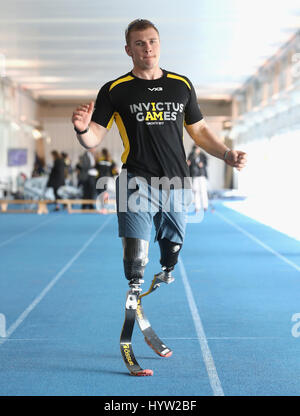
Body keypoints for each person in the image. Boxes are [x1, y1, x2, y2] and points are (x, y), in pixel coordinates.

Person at [71, 19, 247, 375]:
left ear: (159, 44)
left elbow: (198, 131)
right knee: (135, 264)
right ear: (128, 50)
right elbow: (94, 138)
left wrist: (227, 154)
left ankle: (166, 267)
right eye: (139, 43)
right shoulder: (115, 90)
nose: (146, 48)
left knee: (171, 256)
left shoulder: (181, 85)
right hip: (135, 181)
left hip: (176, 185)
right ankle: (129, 331)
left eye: (151, 42)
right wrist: (80, 129)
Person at [187, 145, 209, 212]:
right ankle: (197, 207)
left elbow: (206, 163)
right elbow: (188, 163)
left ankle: (205, 206)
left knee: (203, 191)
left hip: (202, 175)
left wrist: (202, 165)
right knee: (196, 192)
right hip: (194, 176)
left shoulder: (202, 155)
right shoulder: (191, 155)